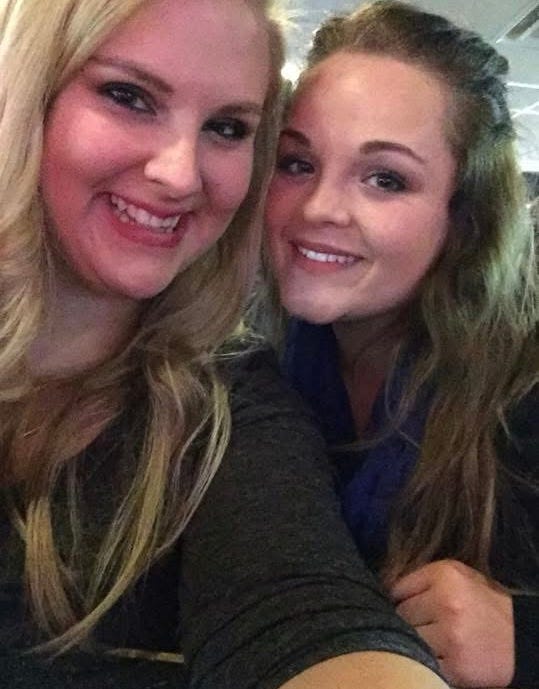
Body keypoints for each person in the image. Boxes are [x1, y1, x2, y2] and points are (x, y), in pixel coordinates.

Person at [0, 0, 452, 688]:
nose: (180, 174)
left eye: (227, 127)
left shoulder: (231, 409)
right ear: (29, 91)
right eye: (129, 96)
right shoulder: (307, 347)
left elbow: (302, 607)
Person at [264, 2, 538, 687]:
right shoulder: (249, 361)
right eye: (296, 162)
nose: (318, 208)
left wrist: (525, 639)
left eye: (385, 178)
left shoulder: (525, 388)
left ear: (463, 218)